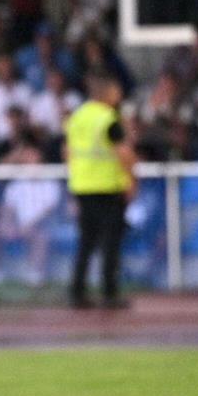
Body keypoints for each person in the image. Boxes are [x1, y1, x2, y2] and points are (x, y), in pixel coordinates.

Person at [64, 70, 137, 309]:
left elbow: (68, 152)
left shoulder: (77, 117)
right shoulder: (108, 118)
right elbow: (123, 152)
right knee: (110, 243)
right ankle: (109, 293)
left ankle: (77, 292)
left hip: (83, 187)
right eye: (116, 91)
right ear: (106, 93)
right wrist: (131, 180)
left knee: (86, 242)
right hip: (107, 187)